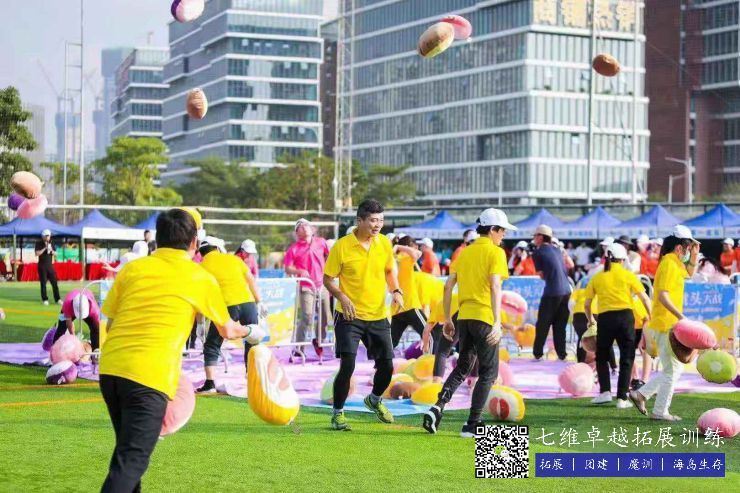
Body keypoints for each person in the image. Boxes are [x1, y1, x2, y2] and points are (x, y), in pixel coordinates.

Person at [98, 208, 263, 491]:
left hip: (111, 370)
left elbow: (111, 325)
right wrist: (251, 332)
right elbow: (228, 330)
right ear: (194, 243)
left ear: (158, 238)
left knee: (128, 456)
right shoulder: (199, 277)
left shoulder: (133, 269)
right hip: (148, 376)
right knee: (131, 461)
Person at [422, 208, 516, 437]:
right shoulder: (496, 253)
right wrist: (497, 322)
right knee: (488, 372)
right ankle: (472, 424)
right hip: (484, 317)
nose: (504, 234)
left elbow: (447, 286)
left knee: (463, 367)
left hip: (463, 318)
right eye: (502, 230)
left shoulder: (464, 253)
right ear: (492, 230)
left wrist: (447, 318)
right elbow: (495, 285)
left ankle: (438, 406)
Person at [323, 199, 404, 431]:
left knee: (387, 366)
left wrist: (396, 290)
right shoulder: (342, 246)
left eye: (381, 220)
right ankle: (338, 414)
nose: (377, 225)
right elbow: (327, 279)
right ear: (360, 221)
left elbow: (389, 271)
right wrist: (342, 297)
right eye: (373, 220)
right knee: (348, 365)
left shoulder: (384, 243)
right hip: (349, 316)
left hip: (378, 314)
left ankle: (375, 399)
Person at [629, 225, 700, 421]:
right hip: (666, 323)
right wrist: (681, 317)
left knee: (673, 369)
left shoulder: (673, 262)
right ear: (679, 247)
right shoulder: (669, 263)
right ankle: (659, 410)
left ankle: (641, 394)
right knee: (673, 370)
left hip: (667, 323)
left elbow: (690, 274)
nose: (689, 251)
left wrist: (694, 256)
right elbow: (662, 296)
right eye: (688, 248)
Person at [584, 243, 652, 409]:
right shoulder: (629, 275)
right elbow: (644, 298)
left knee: (602, 355)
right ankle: (622, 398)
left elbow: (587, 304)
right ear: (622, 260)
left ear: (606, 258)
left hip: (605, 318)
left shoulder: (597, 277)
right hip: (625, 318)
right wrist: (651, 317)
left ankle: (605, 392)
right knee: (627, 357)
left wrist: (591, 319)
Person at [196, 236, 266, 394]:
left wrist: (200, 323)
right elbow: (251, 280)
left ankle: (210, 384)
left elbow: (201, 297)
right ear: (217, 248)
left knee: (212, 344)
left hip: (226, 307)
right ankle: (253, 379)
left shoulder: (201, 267)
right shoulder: (234, 260)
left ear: (201, 252)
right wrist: (259, 302)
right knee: (252, 341)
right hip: (248, 304)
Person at [283, 218, 331, 357]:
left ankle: (319, 340)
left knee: (326, 316)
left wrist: (329, 270)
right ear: (297, 232)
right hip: (306, 286)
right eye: (301, 226)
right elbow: (287, 268)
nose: (305, 227)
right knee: (307, 316)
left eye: (307, 225)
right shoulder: (294, 249)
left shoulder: (321, 242)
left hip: (322, 285)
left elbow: (329, 256)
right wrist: (299, 271)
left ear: (312, 229)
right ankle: (299, 347)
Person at [531, 225, 571, 361]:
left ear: (541, 237)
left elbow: (541, 275)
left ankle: (537, 354)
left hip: (553, 290)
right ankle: (562, 355)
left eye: (535, 236)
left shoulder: (537, 252)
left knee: (543, 323)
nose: (534, 238)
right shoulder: (558, 250)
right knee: (560, 325)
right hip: (566, 290)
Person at [390, 235, 426, 348]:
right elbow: (418, 253)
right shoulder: (406, 258)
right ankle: (434, 359)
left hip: (397, 308)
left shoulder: (392, 259)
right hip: (410, 304)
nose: (416, 247)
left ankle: (379, 360)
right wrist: (400, 247)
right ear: (408, 246)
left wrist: (397, 247)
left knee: (391, 342)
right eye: (414, 245)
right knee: (429, 333)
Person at [35, 229, 61, 305]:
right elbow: (37, 253)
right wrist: (45, 248)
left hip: (50, 266)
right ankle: (45, 299)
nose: (47, 237)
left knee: (54, 283)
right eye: (46, 236)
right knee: (43, 284)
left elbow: (56, 254)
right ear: (42, 236)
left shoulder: (51, 243)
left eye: (48, 236)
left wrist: (51, 250)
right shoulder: (39, 243)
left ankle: (58, 299)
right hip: (42, 266)